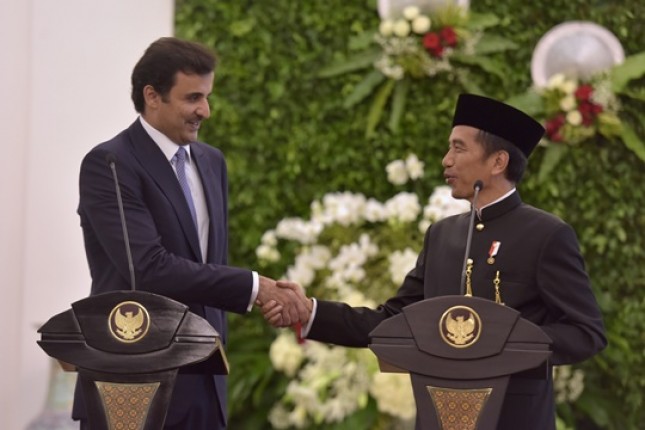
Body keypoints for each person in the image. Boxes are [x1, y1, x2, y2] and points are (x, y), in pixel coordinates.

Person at [264, 94, 607, 430]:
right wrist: (311, 312)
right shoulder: (442, 234)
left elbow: (586, 331)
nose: (446, 159)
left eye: (459, 148)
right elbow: (393, 321)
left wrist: (507, 344)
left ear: (498, 162)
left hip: (515, 417)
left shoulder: (547, 234)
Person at [73, 37, 308, 429]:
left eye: (207, 96)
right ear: (152, 96)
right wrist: (254, 288)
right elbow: (147, 269)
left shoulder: (211, 162)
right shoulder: (110, 164)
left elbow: (206, 268)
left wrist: (263, 296)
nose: (206, 110)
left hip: (205, 384)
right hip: (133, 388)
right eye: (193, 98)